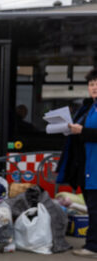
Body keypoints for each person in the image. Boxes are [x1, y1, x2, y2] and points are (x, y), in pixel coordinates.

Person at [57, 68, 97, 258]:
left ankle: (92, 246)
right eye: (91, 84)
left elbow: (88, 133)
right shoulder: (89, 107)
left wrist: (83, 132)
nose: (94, 87)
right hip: (87, 167)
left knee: (95, 209)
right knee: (92, 207)